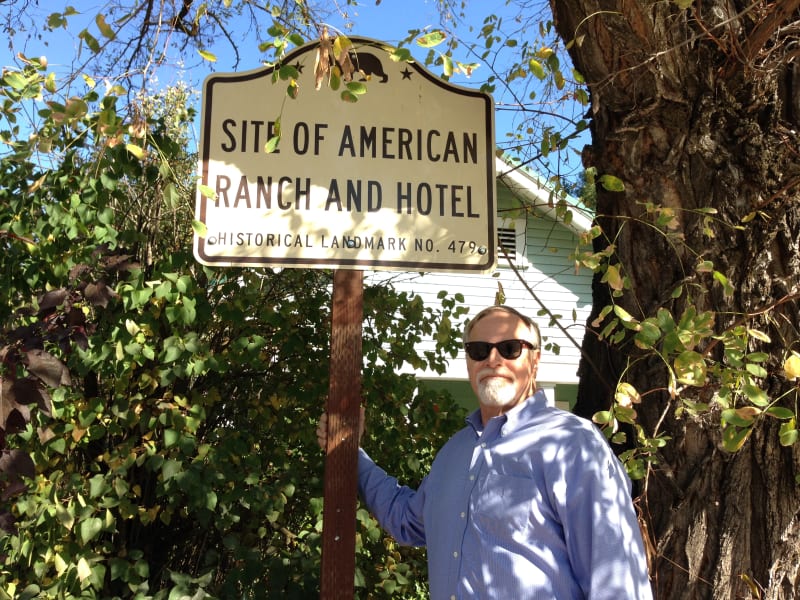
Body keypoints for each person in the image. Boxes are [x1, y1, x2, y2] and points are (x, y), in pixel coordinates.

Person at [317, 305, 653, 599]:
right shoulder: (455, 452)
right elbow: (406, 521)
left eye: (509, 348)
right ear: (468, 361)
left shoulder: (572, 444)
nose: (493, 360)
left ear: (534, 361)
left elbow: (617, 582)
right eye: (479, 350)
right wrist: (350, 453)